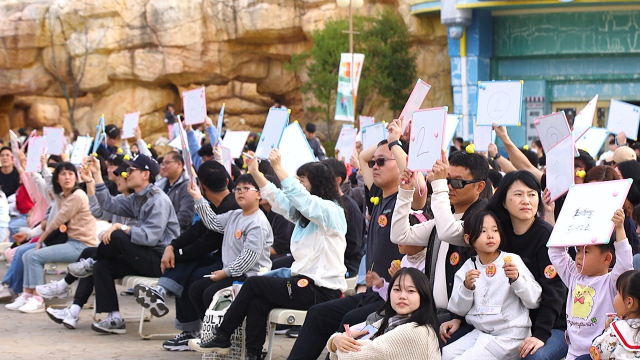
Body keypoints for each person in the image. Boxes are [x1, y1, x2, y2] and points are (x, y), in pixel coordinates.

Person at [189, 150, 347, 360]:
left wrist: (279, 168)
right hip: (303, 284)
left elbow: (303, 200)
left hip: (322, 291)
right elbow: (278, 198)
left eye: (302, 180)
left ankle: (222, 336)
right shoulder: (305, 216)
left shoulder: (331, 212)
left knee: (254, 284)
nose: (297, 184)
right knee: (258, 301)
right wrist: (255, 172)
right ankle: (253, 355)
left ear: (317, 184)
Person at [288, 139, 401, 360]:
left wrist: (397, 142)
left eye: (381, 161)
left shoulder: (406, 198)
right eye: (373, 162)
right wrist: (387, 140)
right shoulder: (378, 197)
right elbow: (363, 158)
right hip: (372, 293)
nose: (374, 165)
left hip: (393, 298)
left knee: (347, 322)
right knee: (318, 314)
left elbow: (405, 167)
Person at [132, 160, 239, 350]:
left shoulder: (229, 207)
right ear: (227, 180)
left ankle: (192, 330)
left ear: (202, 187)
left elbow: (205, 244)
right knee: (187, 264)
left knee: (192, 277)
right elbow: (197, 230)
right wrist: (173, 246)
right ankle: (162, 292)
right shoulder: (219, 202)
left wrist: (176, 254)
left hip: (232, 265)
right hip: (219, 259)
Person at [85, 153, 180, 334]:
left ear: (145, 174)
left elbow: (149, 237)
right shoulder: (137, 197)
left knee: (119, 236)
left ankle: (91, 261)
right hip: (142, 256)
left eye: (131, 170)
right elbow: (108, 204)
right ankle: (114, 318)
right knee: (103, 266)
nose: (126, 174)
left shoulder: (158, 200)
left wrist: (122, 227)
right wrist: (97, 174)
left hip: (159, 261)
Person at [484, 171, 568, 360]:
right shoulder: (497, 234)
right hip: (509, 324)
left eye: (532, 194)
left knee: (534, 357)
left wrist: (540, 334)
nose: (526, 200)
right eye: (518, 194)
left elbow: (555, 291)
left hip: (553, 325)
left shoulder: (545, 236)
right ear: (504, 201)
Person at [43, 162, 134, 328]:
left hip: (142, 257)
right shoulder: (121, 200)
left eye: (121, 176)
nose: (116, 180)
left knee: (98, 257)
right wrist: (90, 181)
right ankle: (73, 311)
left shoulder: (146, 201)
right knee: (89, 256)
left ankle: (64, 289)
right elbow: (98, 211)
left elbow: (146, 235)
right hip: (124, 254)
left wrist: (119, 227)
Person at [443, 210, 542, 359]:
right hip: (482, 332)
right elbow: (458, 309)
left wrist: (517, 279)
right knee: (447, 354)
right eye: (483, 231)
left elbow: (535, 300)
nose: (490, 235)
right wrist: (466, 288)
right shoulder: (468, 267)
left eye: (495, 230)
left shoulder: (511, 260)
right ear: (468, 239)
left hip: (510, 336)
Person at [5, 162, 98, 313]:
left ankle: (38, 299)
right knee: (28, 254)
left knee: (34, 256)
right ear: (57, 179)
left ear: (76, 177)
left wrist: (40, 240)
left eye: (70, 174)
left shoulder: (77, 195)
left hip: (82, 246)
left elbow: (57, 221)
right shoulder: (62, 196)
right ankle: (27, 294)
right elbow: (46, 185)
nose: (67, 177)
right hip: (71, 243)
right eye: (63, 174)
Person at [186, 172, 274, 324]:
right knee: (196, 290)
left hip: (249, 277)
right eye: (237, 189)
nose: (240, 192)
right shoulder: (235, 215)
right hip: (233, 274)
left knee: (210, 294)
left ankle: (223, 334)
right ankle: (212, 331)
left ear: (258, 194)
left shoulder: (257, 222)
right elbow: (213, 223)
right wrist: (198, 198)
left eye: (246, 188)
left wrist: (225, 273)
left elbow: (249, 258)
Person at [547, 206, 632, 360]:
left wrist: (619, 228)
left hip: (601, 354)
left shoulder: (612, 282)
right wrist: (562, 221)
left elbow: (625, 263)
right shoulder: (574, 276)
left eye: (586, 252)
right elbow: (555, 253)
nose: (578, 256)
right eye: (578, 250)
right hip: (572, 353)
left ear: (606, 258)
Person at [326, 268, 442, 360]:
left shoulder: (415, 331)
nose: (402, 296)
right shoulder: (389, 321)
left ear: (423, 296)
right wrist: (337, 339)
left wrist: (337, 341)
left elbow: (352, 356)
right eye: (397, 289)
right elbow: (352, 334)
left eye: (411, 291)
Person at [323, 158, 364, 277]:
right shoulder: (323, 203)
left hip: (345, 268)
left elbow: (353, 245)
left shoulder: (349, 206)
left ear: (338, 180)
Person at [589, 270, 640, 359]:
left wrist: (606, 330)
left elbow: (596, 352)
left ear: (629, 302)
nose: (615, 297)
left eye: (617, 293)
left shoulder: (617, 329)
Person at [155, 151, 194, 232]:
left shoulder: (188, 186)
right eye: (162, 164)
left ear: (179, 164)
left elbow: (185, 217)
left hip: (175, 234)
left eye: (167, 163)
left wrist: (160, 227)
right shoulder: (159, 185)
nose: (163, 167)